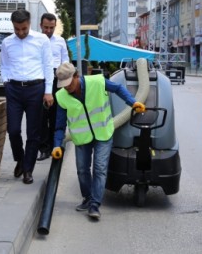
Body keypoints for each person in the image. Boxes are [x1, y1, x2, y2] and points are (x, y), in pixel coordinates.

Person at [52, 62, 145, 220]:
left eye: (69, 83)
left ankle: (94, 205)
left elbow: (117, 88)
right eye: (63, 85)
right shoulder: (61, 96)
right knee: (82, 169)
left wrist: (132, 102)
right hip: (82, 138)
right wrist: (56, 145)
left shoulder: (97, 82)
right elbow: (59, 125)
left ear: (76, 76)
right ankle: (87, 198)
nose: (66, 88)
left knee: (100, 169)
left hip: (103, 132)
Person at [1, 9, 54, 184]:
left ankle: (28, 170)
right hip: (14, 90)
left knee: (34, 133)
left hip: (36, 89)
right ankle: (20, 160)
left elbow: (48, 66)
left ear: (29, 24)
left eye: (23, 28)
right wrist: (6, 83)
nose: (20, 32)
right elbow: (5, 65)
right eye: (17, 29)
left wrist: (48, 91)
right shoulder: (7, 42)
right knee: (13, 130)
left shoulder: (42, 40)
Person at [37, 13, 69, 161]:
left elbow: (65, 60)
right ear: (40, 26)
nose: (48, 30)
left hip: (57, 80)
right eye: (46, 27)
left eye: (51, 27)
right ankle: (43, 148)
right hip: (40, 79)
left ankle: (55, 145)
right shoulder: (35, 40)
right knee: (42, 116)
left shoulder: (61, 41)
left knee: (56, 115)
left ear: (55, 26)